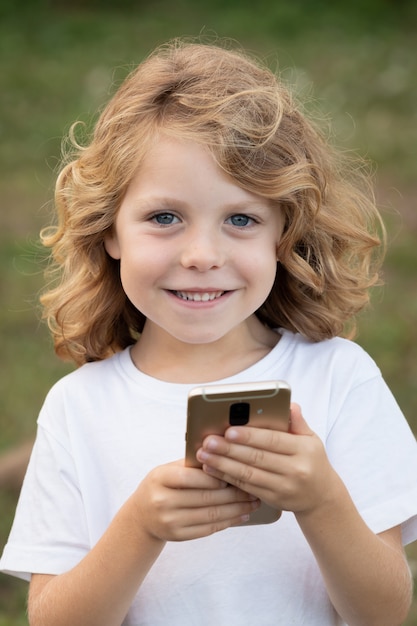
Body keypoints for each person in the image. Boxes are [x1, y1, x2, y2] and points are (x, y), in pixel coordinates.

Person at [1, 38, 417, 626]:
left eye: (241, 219)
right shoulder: (78, 409)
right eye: (164, 217)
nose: (202, 255)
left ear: (284, 233)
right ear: (110, 228)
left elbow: (384, 613)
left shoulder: (339, 379)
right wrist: (139, 528)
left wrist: (321, 500)